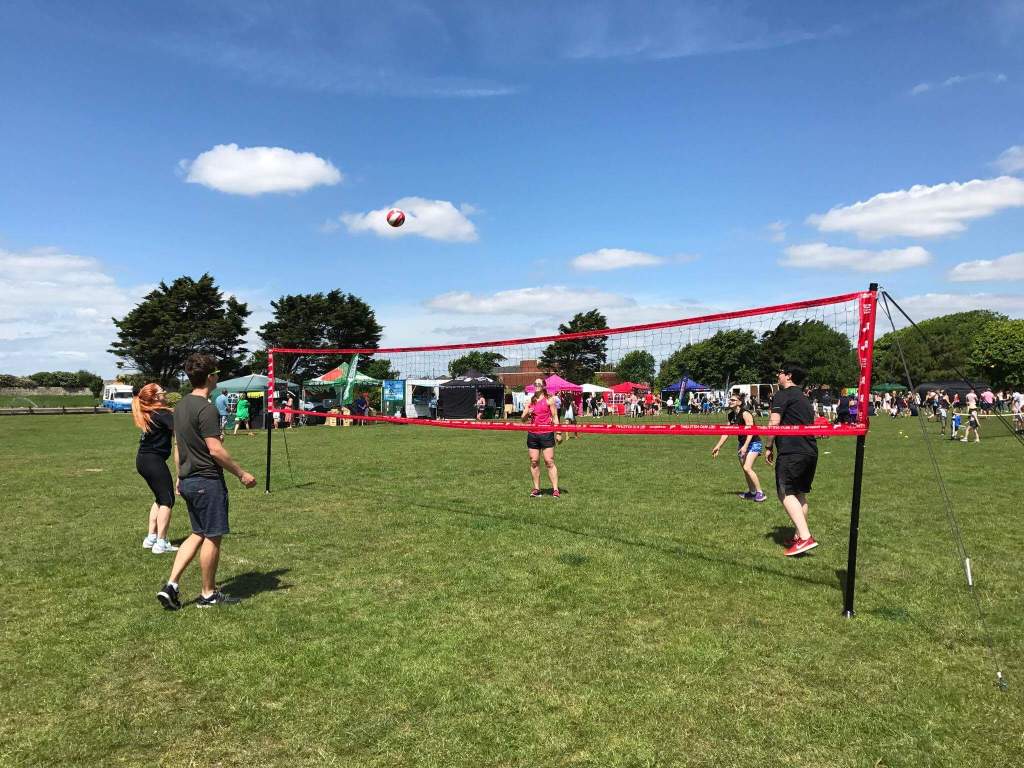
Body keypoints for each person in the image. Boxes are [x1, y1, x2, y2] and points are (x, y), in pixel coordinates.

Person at [157, 354, 257, 610]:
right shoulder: (207, 408)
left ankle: (171, 586)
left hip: (188, 479)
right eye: (217, 373)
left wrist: (179, 476)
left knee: (197, 533)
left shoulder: (180, 406)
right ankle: (208, 594)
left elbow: (179, 446)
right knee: (212, 536)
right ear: (210, 377)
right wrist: (241, 473)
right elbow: (215, 450)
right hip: (207, 481)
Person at [764, 362, 819, 556]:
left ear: (788, 375)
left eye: (779, 372)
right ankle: (798, 536)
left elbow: (774, 422)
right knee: (799, 493)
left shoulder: (782, 394)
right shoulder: (804, 398)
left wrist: (768, 446)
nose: (777, 376)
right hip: (810, 451)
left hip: (792, 451)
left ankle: (805, 537)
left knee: (785, 493)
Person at [133, 383, 179, 555]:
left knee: (160, 498)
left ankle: (151, 538)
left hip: (143, 460)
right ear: (154, 396)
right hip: (153, 461)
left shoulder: (151, 412)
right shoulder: (162, 413)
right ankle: (161, 542)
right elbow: (181, 429)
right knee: (168, 500)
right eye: (161, 391)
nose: (164, 392)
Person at [711, 393, 766, 502]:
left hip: (754, 443)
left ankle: (760, 493)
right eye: (730, 399)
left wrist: (745, 446)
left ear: (739, 402)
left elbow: (751, 431)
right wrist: (718, 446)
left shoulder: (745, 413)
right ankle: (752, 492)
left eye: (733, 400)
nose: (730, 401)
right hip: (742, 444)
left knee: (747, 467)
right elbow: (726, 432)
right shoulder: (731, 415)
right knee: (745, 469)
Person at [522, 377, 560, 498]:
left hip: (546, 433)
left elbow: (555, 416)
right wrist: (528, 412)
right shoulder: (530, 400)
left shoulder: (549, 399)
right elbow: (523, 419)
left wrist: (558, 432)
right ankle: (537, 489)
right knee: (534, 461)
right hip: (533, 434)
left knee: (549, 461)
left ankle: (555, 490)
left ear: (543, 386)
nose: (537, 385)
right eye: (535, 384)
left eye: (539, 384)